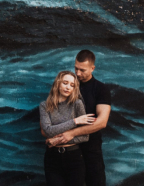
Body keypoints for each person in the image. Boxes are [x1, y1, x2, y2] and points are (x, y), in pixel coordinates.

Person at [45, 50, 112, 186]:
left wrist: (72, 133)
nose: (78, 73)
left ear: (92, 68)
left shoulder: (100, 89)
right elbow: (53, 115)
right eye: (76, 68)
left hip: (91, 150)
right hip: (68, 152)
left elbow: (102, 122)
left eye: (82, 70)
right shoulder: (68, 86)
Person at [39, 71, 96, 186]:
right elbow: (48, 131)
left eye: (72, 85)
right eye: (65, 83)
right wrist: (75, 121)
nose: (68, 87)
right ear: (58, 84)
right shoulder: (44, 106)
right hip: (52, 159)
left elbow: (85, 136)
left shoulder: (77, 104)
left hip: (74, 157)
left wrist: (56, 140)